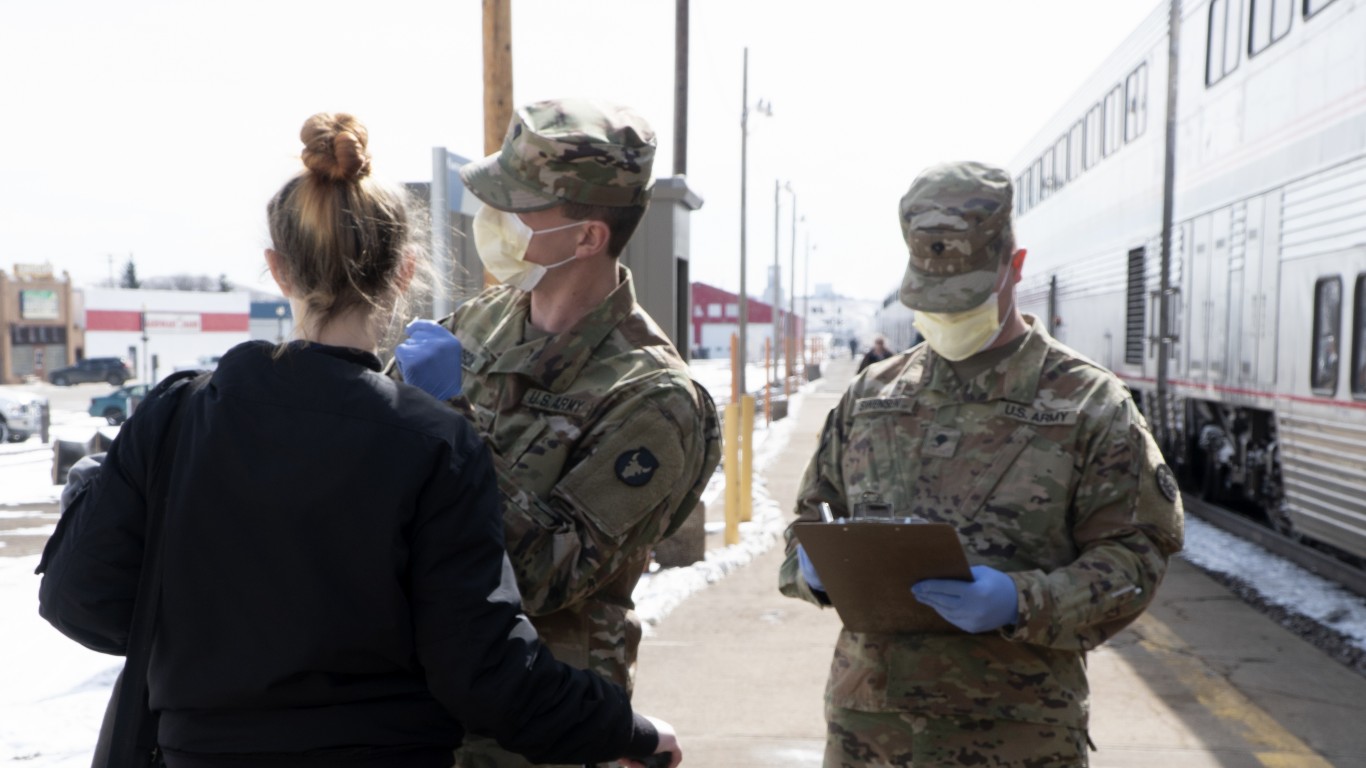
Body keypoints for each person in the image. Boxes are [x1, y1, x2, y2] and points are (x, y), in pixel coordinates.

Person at [37, 113, 680, 768]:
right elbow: (479, 664)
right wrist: (626, 731)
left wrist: (210, 629)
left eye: (518, 207)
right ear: (404, 273)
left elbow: (82, 598)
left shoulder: (178, 415)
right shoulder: (440, 420)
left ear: (277, 270)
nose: (496, 218)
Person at [778, 161, 1183, 767]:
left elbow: (1136, 559)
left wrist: (1021, 600)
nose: (944, 315)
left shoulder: (1088, 403)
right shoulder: (872, 396)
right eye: (929, 299)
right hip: (871, 730)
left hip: (1016, 737)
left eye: (962, 297)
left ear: (1013, 269)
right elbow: (809, 521)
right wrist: (809, 568)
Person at [392, 98, 720, 768]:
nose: (493, 220)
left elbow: (542, 574)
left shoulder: (654, 398)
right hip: (416, 712)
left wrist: (447, 418)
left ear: (587, 237)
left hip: (536, 737)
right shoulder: (477, 323)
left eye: (516, 207)